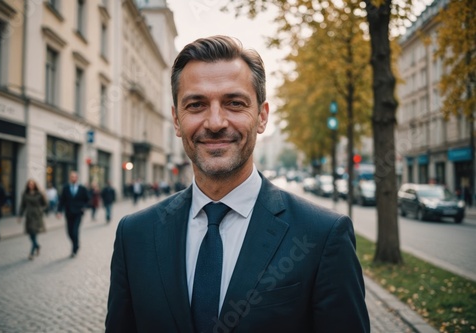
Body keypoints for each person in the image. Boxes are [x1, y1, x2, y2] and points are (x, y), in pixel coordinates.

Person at [106, 36, 370, 332]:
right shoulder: (135, 234)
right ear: (177, 121)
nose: (216, 122)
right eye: (196, 105)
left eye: (234, 103)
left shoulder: (322, 236)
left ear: (262, 116)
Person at [56, 171, 90, 258]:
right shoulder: (66, 188)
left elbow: (88, 199)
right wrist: (59, 211)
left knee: (75, 231)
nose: (73, 178)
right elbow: (62, 200)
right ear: (70, 178)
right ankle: (76, 243)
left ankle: (74, 249)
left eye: (75, 177)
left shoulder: (82, 188)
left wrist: (84, 207)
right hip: (69, 213)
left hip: (78, 213)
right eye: (72, 177)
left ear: (77, 178)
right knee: (69, 232)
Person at [18, 179, 47, 260]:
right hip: (29, 216)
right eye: (29, 184)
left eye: (32, 184)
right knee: (31, 234)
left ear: (35, 185)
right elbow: (22, 205)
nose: (31, 185)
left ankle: (31, 253)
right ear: (27, 185)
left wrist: (41, 210)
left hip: (37, 216)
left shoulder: (39, 194)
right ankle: (37, 246)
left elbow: (45, 204)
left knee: (34, 233)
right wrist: (20, 216)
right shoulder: (25, 194)